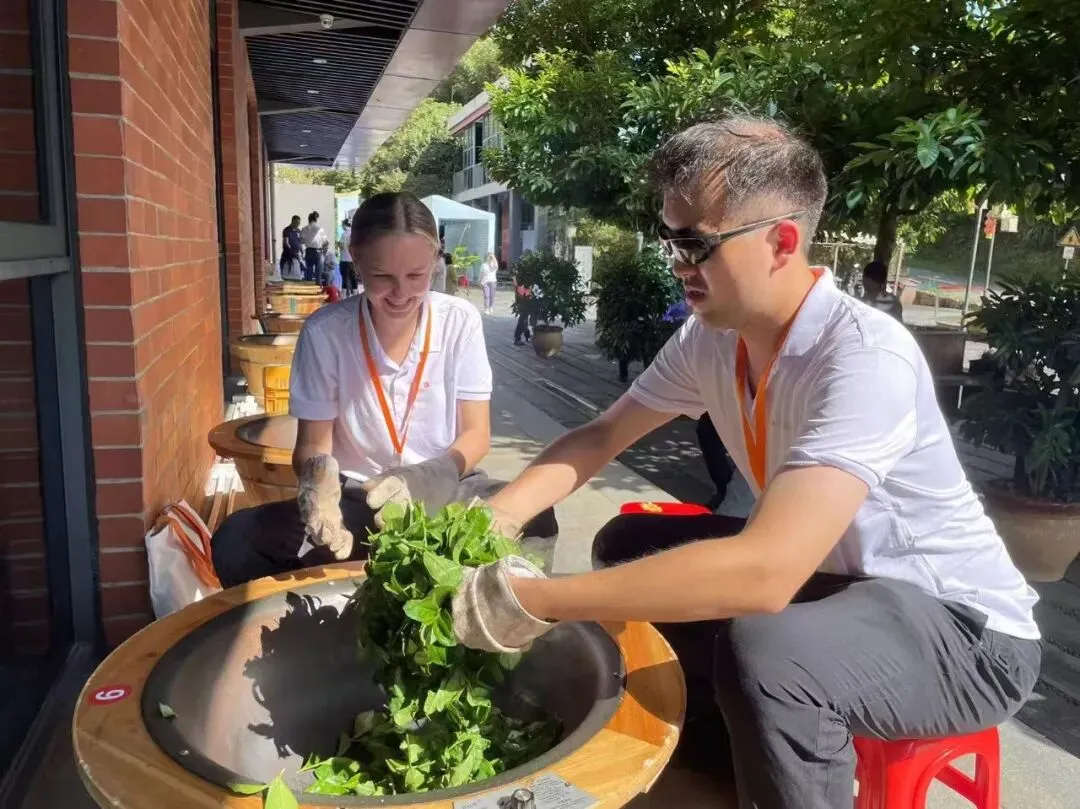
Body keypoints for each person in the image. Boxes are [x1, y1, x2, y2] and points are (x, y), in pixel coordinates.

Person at [449, 116, 1040, 809]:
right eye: (670, 240)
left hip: (963, 631)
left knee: (771, 652)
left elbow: (766, 573)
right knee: (628, 541)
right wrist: (497, 515)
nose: (678, 264)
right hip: (840, 578)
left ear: (781, 241)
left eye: (695, 244)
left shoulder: (863, 356)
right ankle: (715, 752)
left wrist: (538, 600)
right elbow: (601, 436)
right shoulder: (711, 339)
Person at [211, 192, 557, 587]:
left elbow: (476, 436)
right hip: (361, 499)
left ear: (436, 259)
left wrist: (429, 475)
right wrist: (318, 482)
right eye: (382, 277)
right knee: (237, 540)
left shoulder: (458, 321)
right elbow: (313, 445)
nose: (401, 293)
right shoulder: (326, 332)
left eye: (416, 276)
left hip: (444, 490)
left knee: (535, 513)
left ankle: (485, 612)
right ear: (355, 258)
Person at [300, 211, 329, 282]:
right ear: (316, 220)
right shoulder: (320, 229)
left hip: (308, 251)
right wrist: (324, 254)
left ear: (309, 220)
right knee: (318, 274)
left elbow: (301, 241)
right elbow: (326, 243)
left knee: (308, 272)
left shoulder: (304, 228)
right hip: (318, 252)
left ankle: (308, 287)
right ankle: (318, 287)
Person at [279, 215, 304, 280]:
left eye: (299, 223)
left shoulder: (298, 231)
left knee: (300, 267)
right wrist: (291, 250)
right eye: (297, 223)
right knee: (284, 265)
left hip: (296, 254)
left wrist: (302, 251)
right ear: (292, 221)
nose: (298, 224)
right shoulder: (287, 230)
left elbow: (300, 242)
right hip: (288, 253)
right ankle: (283, 277)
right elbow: (286, 242)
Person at [339, 217, 357, 296]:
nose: (342, 226)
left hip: (344, 259)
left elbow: (342, 246)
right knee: (353, 277)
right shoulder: (354, 234)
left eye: (342, 225)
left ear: (345, 225)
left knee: (345, 278)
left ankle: (344, 295)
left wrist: (339, 245)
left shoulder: (344, 234)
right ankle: (355, 294)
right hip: (352, 259)